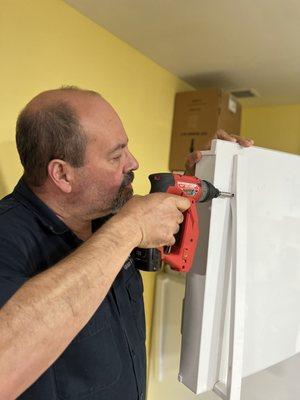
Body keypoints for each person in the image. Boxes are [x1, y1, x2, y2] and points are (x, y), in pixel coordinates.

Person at [0, 87, 253, 400]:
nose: (133, 163)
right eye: (116, 156)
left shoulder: (106, 215)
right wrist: (128, 229)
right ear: (62, 174)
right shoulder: (8, 238)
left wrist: (208, 175)